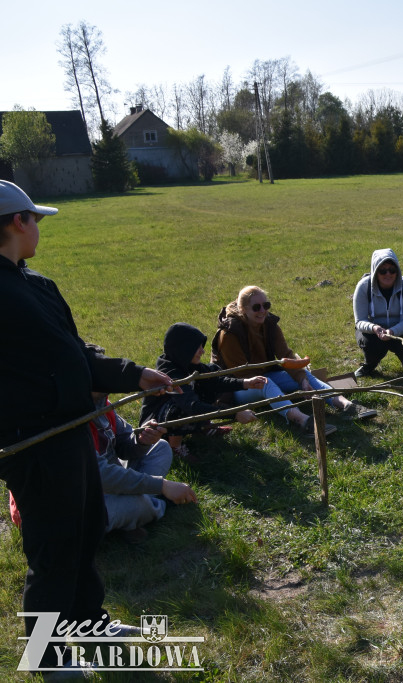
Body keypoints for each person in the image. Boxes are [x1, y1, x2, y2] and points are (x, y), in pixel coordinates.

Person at [0, 180, 174, 673]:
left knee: (85, 528)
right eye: (35, 219)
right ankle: (46, 658)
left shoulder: (36, 284)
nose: (38, 229)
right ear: (18, 222)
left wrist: (130, 374)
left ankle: (88, 623)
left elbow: (76, 352)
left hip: (74, 429)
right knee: (53, 548)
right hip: (32, 445)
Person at [212, 286, 376, 426]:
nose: (263, 311)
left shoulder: (270, 325)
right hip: (237, 386)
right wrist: (274, 385)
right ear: (243, 309)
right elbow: (241, 373)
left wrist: (301, 379)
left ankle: (346, 405)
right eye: (256, 307)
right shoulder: (229, 334)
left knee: (306, 375)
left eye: (266, 305)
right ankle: (303, 420)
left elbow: (286, 354)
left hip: (265, 375)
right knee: (266, 383)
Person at [140, 323, 271, 460]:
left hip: (184, 413)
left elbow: (215, 382)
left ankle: (203, 426)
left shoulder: (187, 363)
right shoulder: (171, 374)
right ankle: (175, 446)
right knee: (181, 407)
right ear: (183, 349)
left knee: (208, 381)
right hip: (159, 426)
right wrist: (235, 414)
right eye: (197, 348)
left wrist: (246, 383)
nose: (202, 351)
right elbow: (191, 406)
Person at [89, 387, 197, 543]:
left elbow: (124, 444)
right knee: (138, 503)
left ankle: (134, 514)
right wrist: (162, 486)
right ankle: (152, 506)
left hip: (115, 479)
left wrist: (142, 440)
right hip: (90, 499)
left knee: (160, 448)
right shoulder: (69, 420)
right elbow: (100, 476)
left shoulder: (102, 404)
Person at [352, 248, 403, 378]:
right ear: (375, 271)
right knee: (371, 347)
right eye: (382, 270)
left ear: (397, 271)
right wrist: (374, 328)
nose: (388, 274)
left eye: (392, 270)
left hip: (399, 330)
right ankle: (369, 365)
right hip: (374, 332)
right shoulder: (363, 287)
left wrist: (392, 332)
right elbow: (359, 321)